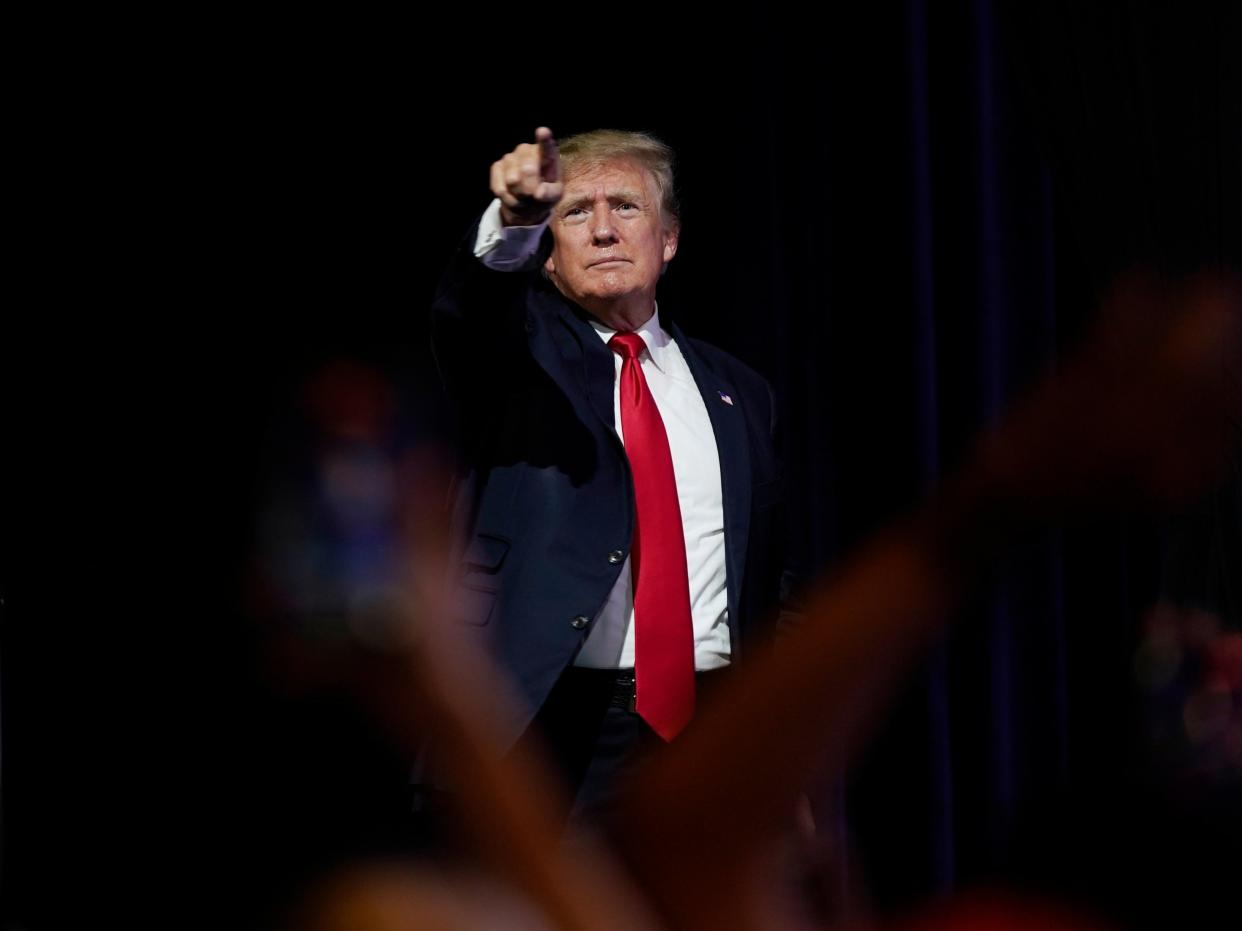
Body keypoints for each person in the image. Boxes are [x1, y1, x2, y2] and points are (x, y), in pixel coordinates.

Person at [430, 127, 792, 821]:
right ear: (547, 254)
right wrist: (512, 221)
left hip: (713, 726)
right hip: (555, 734)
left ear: (669, 239)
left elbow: (773, 575)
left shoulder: (740, 392)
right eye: (574, 212)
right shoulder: (514, 366)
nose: (601, 230)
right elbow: (468, 313)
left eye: (624, 207)